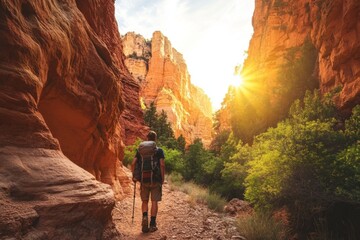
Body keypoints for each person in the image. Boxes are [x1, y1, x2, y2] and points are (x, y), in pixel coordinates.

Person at [131, 131, 165, 233]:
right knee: (154, 201)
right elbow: (162, 165)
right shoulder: (159, 151)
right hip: (155, 179)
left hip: (143, 179)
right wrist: (162, 178)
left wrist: (134, 176)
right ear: (155, 139)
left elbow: (133, 163)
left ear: (147, 138)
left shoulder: (140, 150)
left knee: (144, 201)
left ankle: (144, 217)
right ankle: (152, 224)